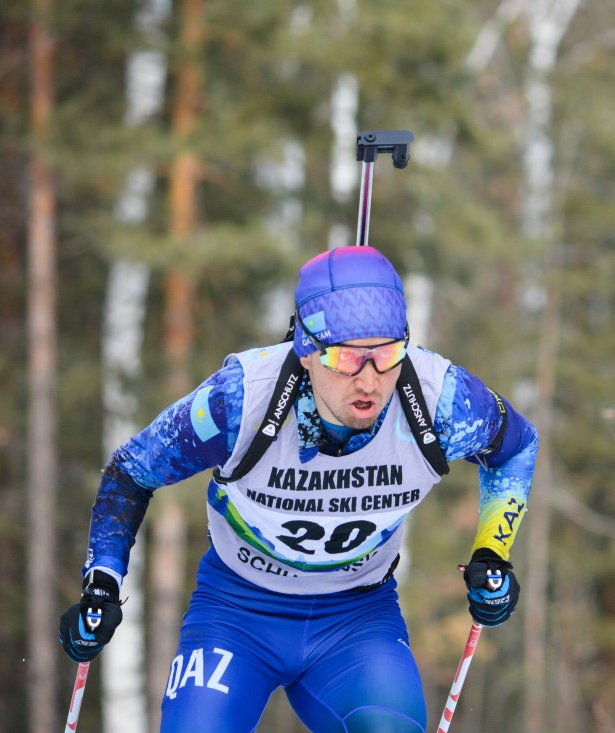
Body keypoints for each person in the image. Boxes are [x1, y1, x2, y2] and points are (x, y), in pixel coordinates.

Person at [58, 245, 538, 732]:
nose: (370, 381)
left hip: (356, 617)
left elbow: (516, 447)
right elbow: (131, 471)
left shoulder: (442, 401)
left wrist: (492, 552)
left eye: (388, 354)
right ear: (306, 351)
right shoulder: (239, 402)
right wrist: (103, 582)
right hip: (238, 612)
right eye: (348, 358)